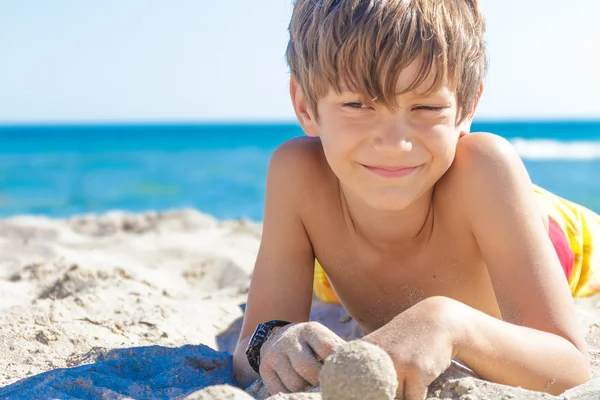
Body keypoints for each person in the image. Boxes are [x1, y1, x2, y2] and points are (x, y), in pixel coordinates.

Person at [232, 0, 600, 398]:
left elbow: (571, 366)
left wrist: (448, 322)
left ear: (467, 107)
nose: (395, 144)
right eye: (357, 105)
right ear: (306, 105)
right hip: (342, 269)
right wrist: (276, 341)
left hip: (554, 238)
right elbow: (249, 347)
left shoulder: (487, 168)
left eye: (426, 106)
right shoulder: (298, 175)